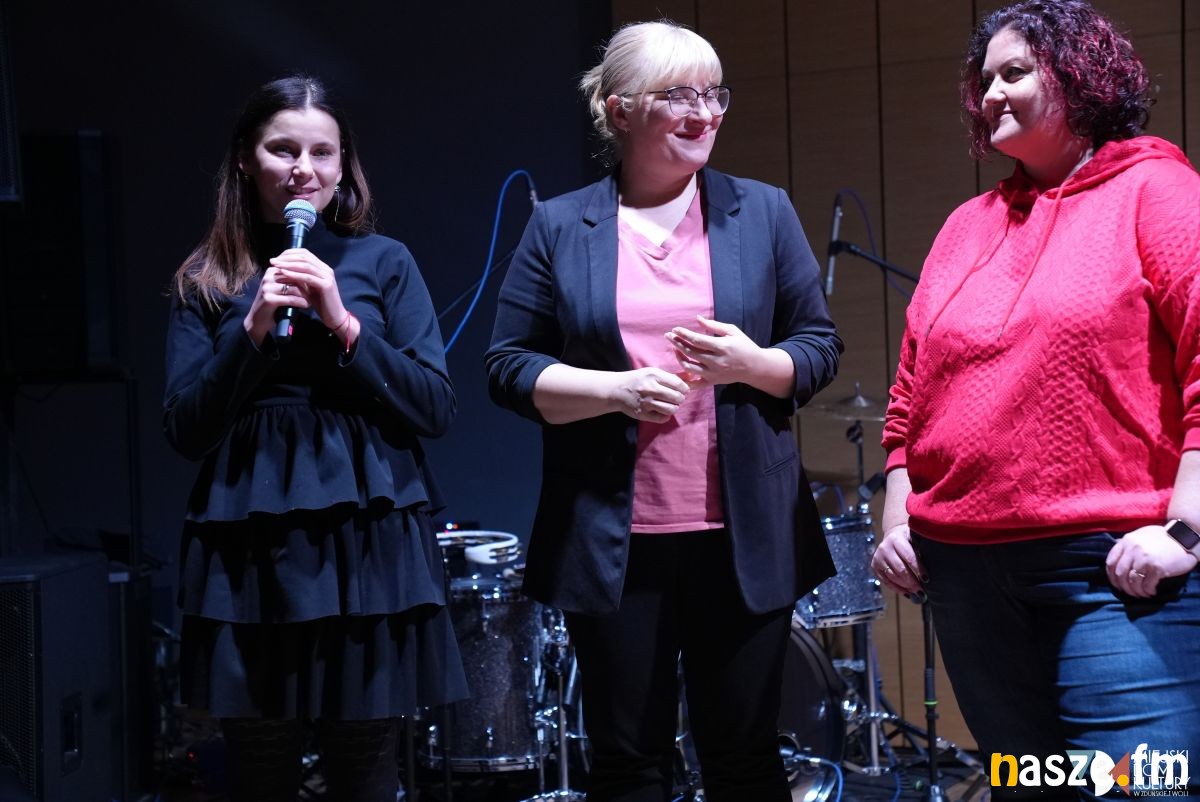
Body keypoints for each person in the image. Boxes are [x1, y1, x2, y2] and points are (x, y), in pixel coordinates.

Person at [486, 20, 841, 802]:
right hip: (611, 539)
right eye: (679, 95)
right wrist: (613, 390)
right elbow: (508, 368)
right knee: (628, 763)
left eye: (714, 95)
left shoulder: (763, 211)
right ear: (620, 110)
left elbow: (819, 347)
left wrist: (751, 363)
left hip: (744, 536)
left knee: (744, 759)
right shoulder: (560, 225)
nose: (704, 113)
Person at [872, 2, 1200, 798]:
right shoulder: (966, 226)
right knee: (1027, 790)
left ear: (1080, 76)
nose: (989, 95)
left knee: (1139, 789)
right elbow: (909, 396)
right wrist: (897, 519)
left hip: (1111, 576)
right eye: (983, 80)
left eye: (1013, 73)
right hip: (967, 583)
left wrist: (1187, 530)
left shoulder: (1158, 191)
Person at [163, 75, 465, 802]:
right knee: (260, 774)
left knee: (365, 773)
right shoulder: (207, 278)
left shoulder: (385, 261)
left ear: (342, 164)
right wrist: (252, 330)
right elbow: (185, 428)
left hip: (367, 538)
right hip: (249, 540)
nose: (304, 169)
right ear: (246, 159)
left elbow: (434, 407)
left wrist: (343, 322)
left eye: (322, 152)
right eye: (283, 149)